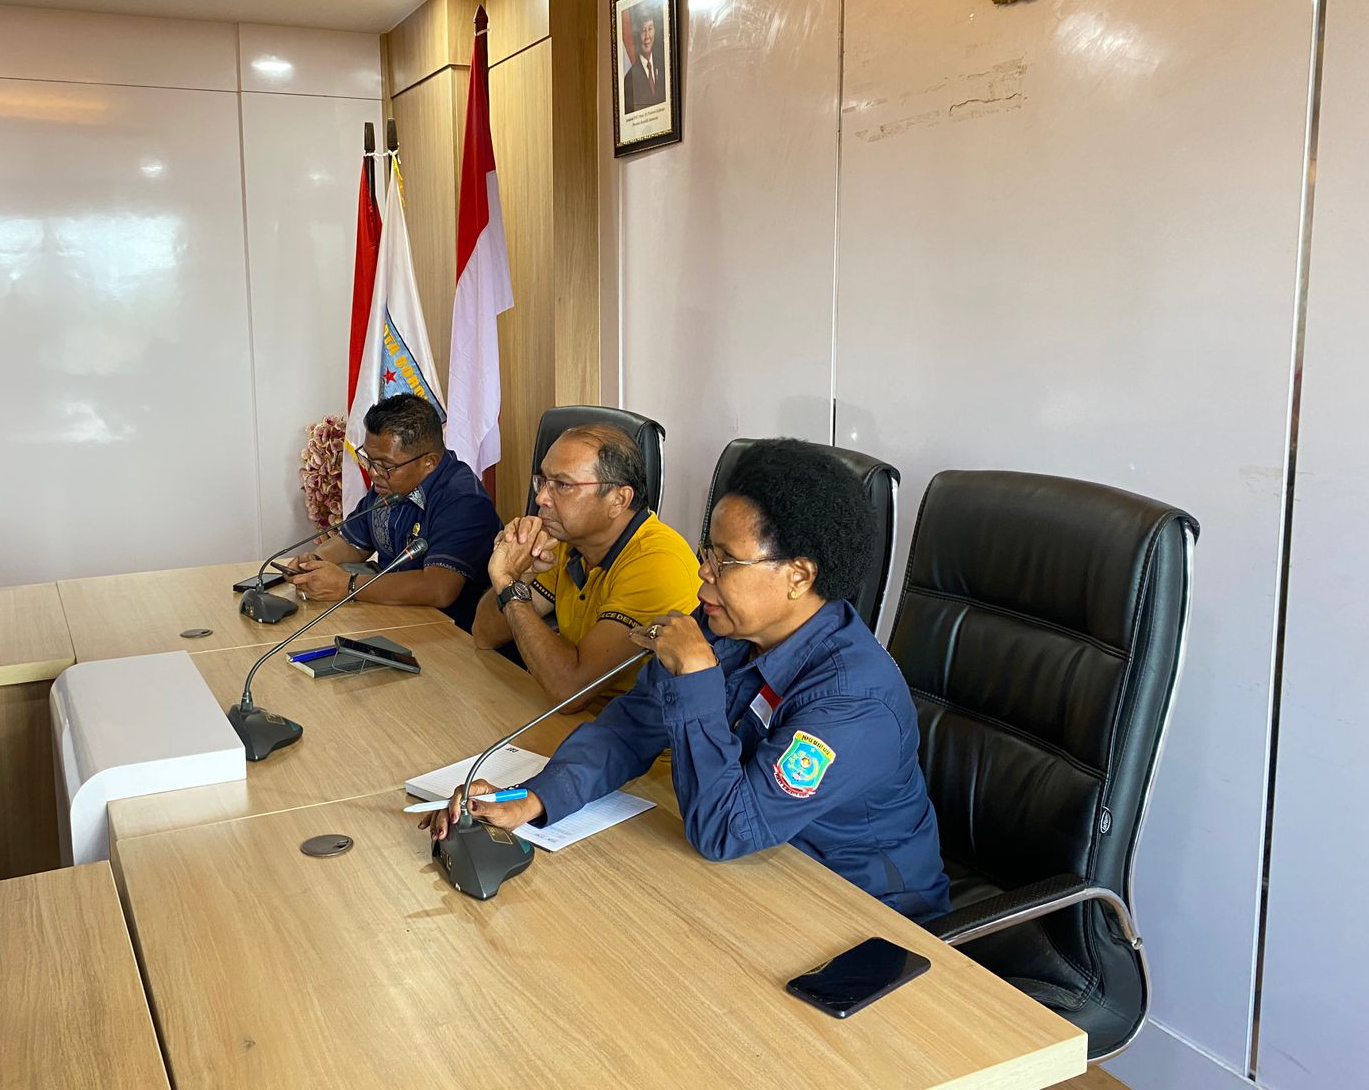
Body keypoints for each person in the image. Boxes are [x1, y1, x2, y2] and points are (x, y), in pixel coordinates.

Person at [428, 438, 950, 920]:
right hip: (757, 875)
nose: (704, 573)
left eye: (726, 561)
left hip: (862, 912)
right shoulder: (725, 626)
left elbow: (725, 829)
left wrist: (696, 678)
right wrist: (536, 798)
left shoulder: (853, 700)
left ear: (798, 576)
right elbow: (630, 728)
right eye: (708, 553)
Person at [471, 423, 699, 714]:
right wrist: (520, 575)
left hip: (637, 737)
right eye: (543, 481)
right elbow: (485, 634)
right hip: (578, 723)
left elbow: (570, 691)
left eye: (563, 485)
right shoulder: (567, 541)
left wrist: (507, 584)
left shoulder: (658, 564)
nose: (541, 498)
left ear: (618, 499)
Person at [289, 393, 499, 631]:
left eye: (385, 465)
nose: (373, 473)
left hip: (455, 633)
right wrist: (314, 563)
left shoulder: (463, 500)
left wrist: (347, 585)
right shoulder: (390, 482)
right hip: (397, 618)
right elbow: (353, 543)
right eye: (369, 460)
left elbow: (438, 588)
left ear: (429, 462)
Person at [622, 10, 666, 112]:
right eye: (643, 31)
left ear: (655, 30)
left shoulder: (664, 66)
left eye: (650, 29)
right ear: (637, 35)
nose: (647, 37)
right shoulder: (629, 79)